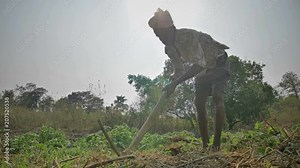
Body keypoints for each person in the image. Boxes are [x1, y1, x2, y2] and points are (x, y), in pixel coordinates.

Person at [148, 8, 230, 150]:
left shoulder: (188, 36)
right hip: (202, 70)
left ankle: (216, 144)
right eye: (157, 36)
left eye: (161, 34)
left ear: (171, 29)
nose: (160, 38)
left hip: (218, 62)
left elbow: (198, 65)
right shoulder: (169, 49)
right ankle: (205, 145)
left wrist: (175, 83)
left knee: (217, 96)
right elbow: (179, 70)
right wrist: (171, 82)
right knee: (198, 103)